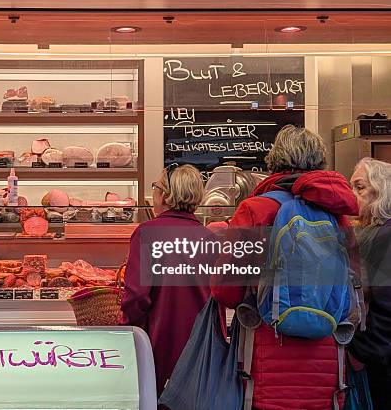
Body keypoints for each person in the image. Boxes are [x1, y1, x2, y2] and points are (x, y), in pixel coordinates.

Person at [211, 125, 359, 410]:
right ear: (319, 163)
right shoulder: (337, 216)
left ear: (274, 161)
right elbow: (354, 290)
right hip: (326, 359)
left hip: (266, 357)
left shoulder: (254, 210)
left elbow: (226, 290)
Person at [121, 164, 211, 396]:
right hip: (201, 344)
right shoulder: (211, 238)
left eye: (156, 187)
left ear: (166, 195)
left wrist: (127, 329)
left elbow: (136, 296)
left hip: (159, 343)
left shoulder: (147, 232)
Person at [348, 158, 391, 410]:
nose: (352, 195)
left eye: (360, 188)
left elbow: (386, 308)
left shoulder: (384, 238)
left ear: (382, 191)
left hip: (381, 364)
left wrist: (361, 349)